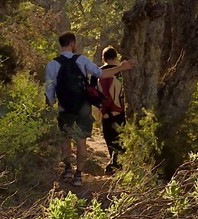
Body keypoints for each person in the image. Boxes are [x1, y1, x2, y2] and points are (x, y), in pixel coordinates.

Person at [44, 33, 132, 186]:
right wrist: (121, 67)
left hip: (64, 108)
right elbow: (101, 74)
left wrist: (51, 107)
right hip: (83, 108)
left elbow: (49, 89)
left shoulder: (52, 64)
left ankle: (67, 169)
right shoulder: (82, 60)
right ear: (72, 43)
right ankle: (78, 175)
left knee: (65, 139)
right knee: (81, 141)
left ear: (61, 44)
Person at [97, 45, 130, 173]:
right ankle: (117, 162)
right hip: (119, 109)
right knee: (119, 136)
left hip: (105, 111)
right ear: (116, 58)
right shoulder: (121, 71)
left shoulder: (98, 73)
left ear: (103, 58)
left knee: (109, 136)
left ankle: (113, 161)